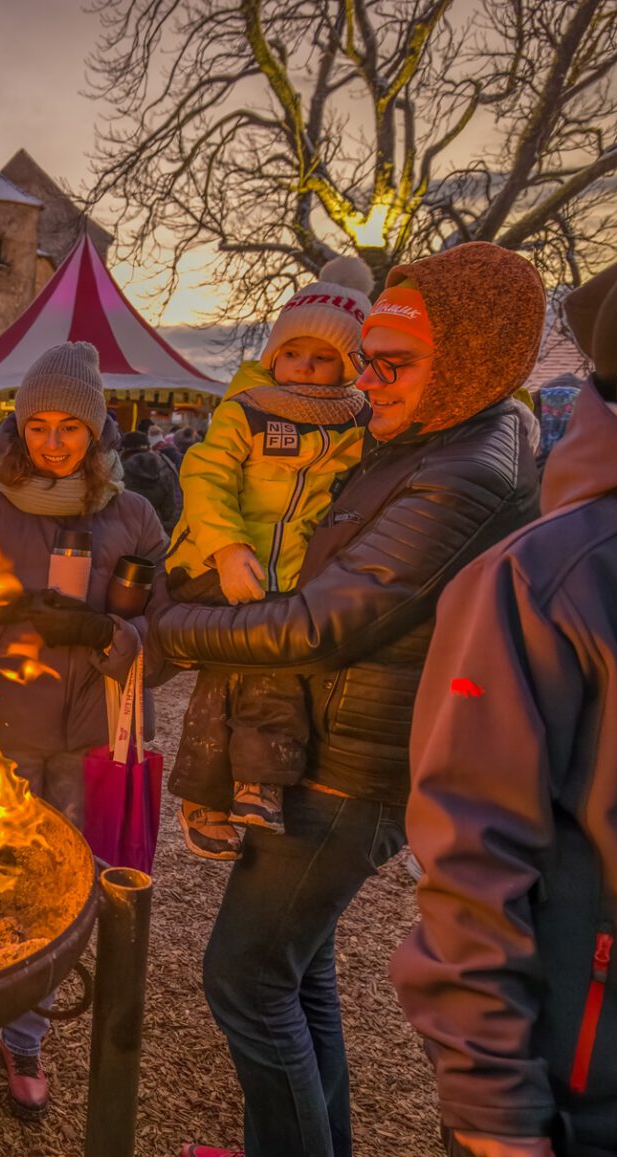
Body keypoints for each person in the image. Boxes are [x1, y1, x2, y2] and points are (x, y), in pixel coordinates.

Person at [157, 242, 545, 1157]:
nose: (366, 383)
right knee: (303, 967)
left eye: (392, 363)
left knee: (244, 977)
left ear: (468, 359)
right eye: (363, 360)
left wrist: (177, 625)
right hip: (334, 743)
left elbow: (326, 621)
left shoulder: (466, 468)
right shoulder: (426, 437)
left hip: (351, 762)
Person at [391, 242, 617, 1157]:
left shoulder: (480, 498)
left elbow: (343, 610)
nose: (367, 383)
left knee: (263, 978)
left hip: (612, 1089)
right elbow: (473, 841)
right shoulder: (552, 570)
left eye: (397, 362)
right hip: (601, 1094)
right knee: (258, 977)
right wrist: (494, 1089)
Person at [0, 343, 172, 1157]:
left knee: (60, 902)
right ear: (19, 428)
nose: (54, 442)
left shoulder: (132, 518)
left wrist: (121, 638)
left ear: (97, 433)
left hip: (90, 743)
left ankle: (24, 1038)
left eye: (71, 428)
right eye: (40, 426)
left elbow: (166, 635)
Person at [166, 258, 374, 856]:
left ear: (348, 366)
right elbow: (206, 476)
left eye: (323, 357)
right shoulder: (248, 408)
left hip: (294, 577)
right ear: (274, 354)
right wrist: (227, 549)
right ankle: (209, 794)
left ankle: (256, 782)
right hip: (219, 565)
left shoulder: (356, 423)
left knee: (271, 667)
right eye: (294, 352)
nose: (304, 366)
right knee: (232, 669)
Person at [118, 430, 181, 533]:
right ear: (148, 447)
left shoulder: (119, 470)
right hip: (158, 533)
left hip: (125, 533)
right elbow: (174, 504)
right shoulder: (165, 465)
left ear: (123, 449)